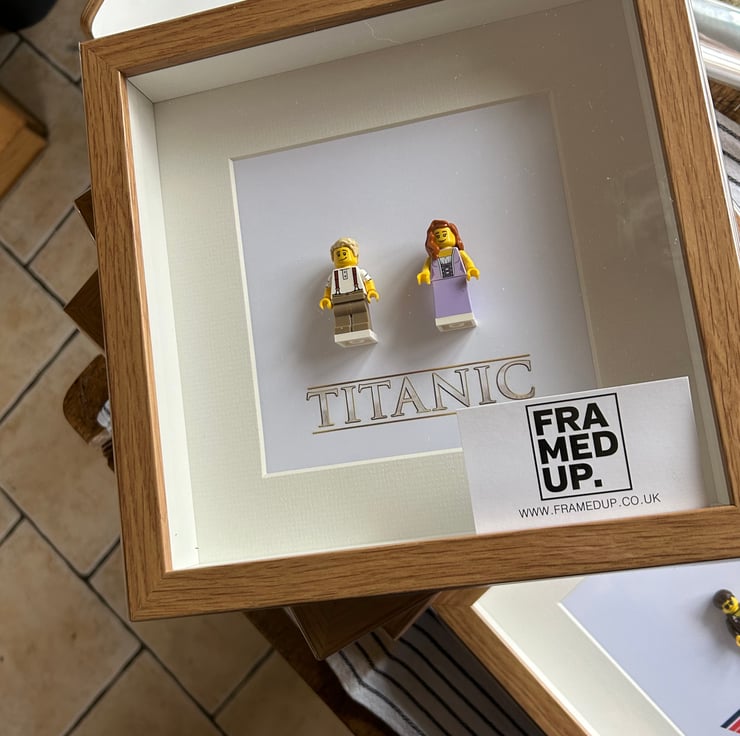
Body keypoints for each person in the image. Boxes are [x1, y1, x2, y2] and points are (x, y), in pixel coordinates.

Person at [416, 219, 479, 331]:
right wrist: (425, 273)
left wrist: (471, 268)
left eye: (444, 234)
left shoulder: (458, 252)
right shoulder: (433, 257)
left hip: (457, 280)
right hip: (439, 282)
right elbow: (426, 267)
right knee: (442, 301)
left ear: (454, 235)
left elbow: (467, 261)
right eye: (438, 236)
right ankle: (445, 320)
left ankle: (465, 316)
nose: (441, 237)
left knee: (461, 298)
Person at [320, 237, 379, 347]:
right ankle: (343, 333)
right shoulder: (333, 276)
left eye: (344, 253)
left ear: (355, 255)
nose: (341, 256)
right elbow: (328, 288)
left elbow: (368, 281)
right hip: (338, 299)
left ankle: (363, 330)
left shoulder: (360, 272)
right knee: (341, 316)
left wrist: (371, 290)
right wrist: (326, 298)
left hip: (358, 296)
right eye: (338, 254)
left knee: (360, 313)